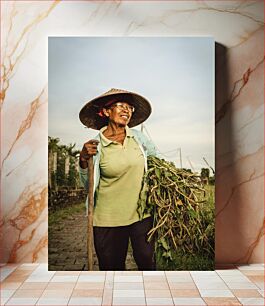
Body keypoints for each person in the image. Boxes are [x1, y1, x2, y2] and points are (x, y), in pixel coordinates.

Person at [79, 88, 160, 271]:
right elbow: (88, 184)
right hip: (108, 219)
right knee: (112, 269)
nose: (127, 110)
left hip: (141, 214)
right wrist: (83, 159)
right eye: (121, 106)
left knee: (148, 263)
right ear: (107, 112)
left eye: (130, 108)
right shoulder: (95, 145)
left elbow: (157, 162)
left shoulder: (139, 139)